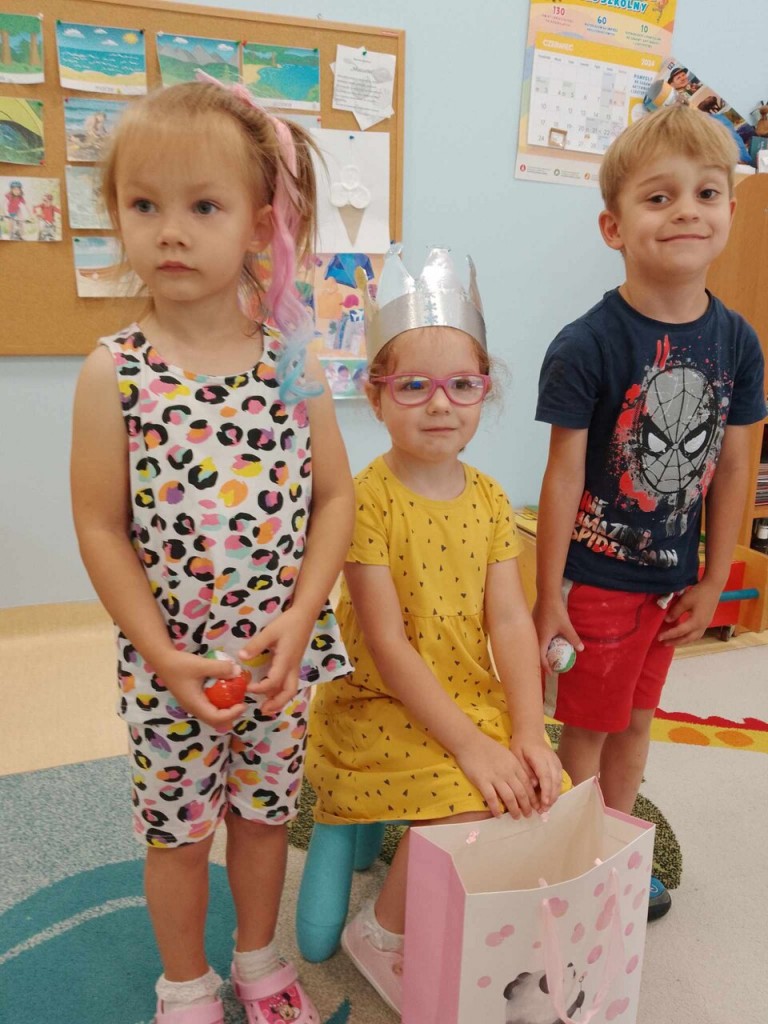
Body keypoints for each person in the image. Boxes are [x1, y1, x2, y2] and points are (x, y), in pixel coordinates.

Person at [71, 80, 355, 1024]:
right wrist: (161, 655)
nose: (170, 232)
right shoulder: (114, 370)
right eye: (144, 205)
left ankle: (259, 962)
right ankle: (185, 984)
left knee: (265, 823)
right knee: (180, 837)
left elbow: (335, 496)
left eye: (203, 207)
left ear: (260, 222)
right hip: (169, 669)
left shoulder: (291, 357)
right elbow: (101, 527)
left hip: (277, 662)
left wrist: (303, 616)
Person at [306, 245, 566, 1014]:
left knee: (536, 782)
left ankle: (463, 906)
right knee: (470, 795)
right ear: (376, 396)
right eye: (414, 386)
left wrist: (527, 728)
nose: (440, 405)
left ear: (486, 390)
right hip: (379, 702)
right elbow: (387, 647)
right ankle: (382, 932)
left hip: (463, 691)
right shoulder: (365, 500)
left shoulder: (490, 499)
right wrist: (473, 747)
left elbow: (510, 621)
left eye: (463, 385)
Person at [533, 105, 766, 922]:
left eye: (707, 193)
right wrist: (549, 593)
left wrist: (715, 574)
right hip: (597, 579)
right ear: (614, 226)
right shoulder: (587, 343)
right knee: (587, 731)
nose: (687, 212)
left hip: (671, 581)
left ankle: (612, 852)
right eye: (659, 197)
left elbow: (734, 463)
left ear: (730, 211)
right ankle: (564, 867)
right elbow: (562, 476)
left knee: (637, 721)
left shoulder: (738, 341)